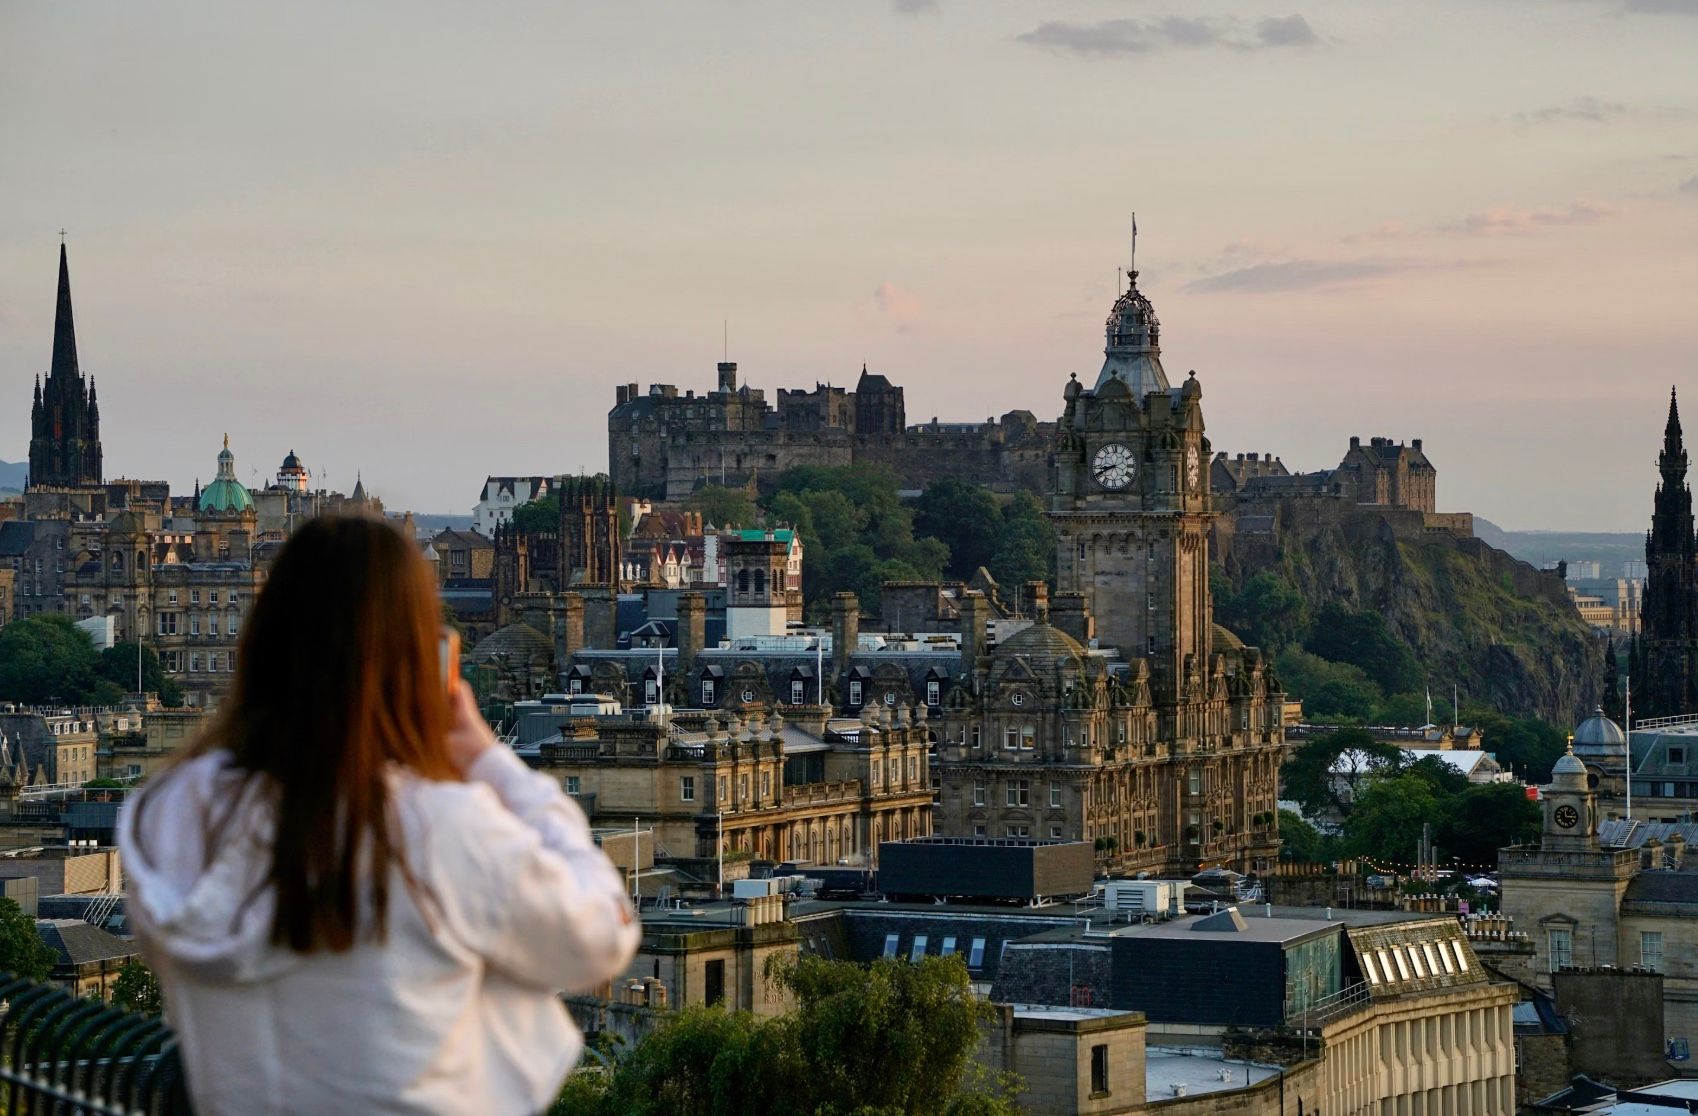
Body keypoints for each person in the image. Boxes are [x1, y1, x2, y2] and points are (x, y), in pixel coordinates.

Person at [119, 516, 639, 1116]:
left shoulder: (170, 813)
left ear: (262, 638)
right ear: (418, 656)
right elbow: (602, 933)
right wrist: (485, 757)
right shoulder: (434, 827)